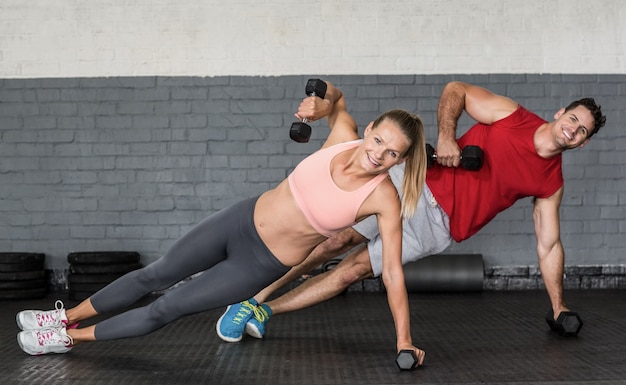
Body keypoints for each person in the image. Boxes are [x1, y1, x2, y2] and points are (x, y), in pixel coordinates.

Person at [15, 81, 428, 363]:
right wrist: (320, 104)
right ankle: (66, 316)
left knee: (167, 308)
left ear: (401, 160)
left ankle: (66, 340)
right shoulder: (344, 135)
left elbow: (391, 272)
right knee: (153, 275)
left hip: (259, 265)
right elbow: (335, 96)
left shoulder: (382, 197)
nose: (379, 154)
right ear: (370, 129)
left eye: (392, 153)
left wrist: (404, 339)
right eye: (379, 140)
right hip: (239, 220)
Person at [217, 81, 607, 360]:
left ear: (583, 142)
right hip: (412, 183)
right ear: (561, 112)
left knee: (352, 271)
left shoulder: (550, 181)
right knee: (332, 243)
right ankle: (253, 295)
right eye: (573, 118)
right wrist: (449, 137)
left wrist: (558, 307)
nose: (572, 129)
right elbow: (457, 90)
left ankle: (264, 311)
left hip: (439, 227)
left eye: (581, 130)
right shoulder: (511, 116)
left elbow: (549, 244)